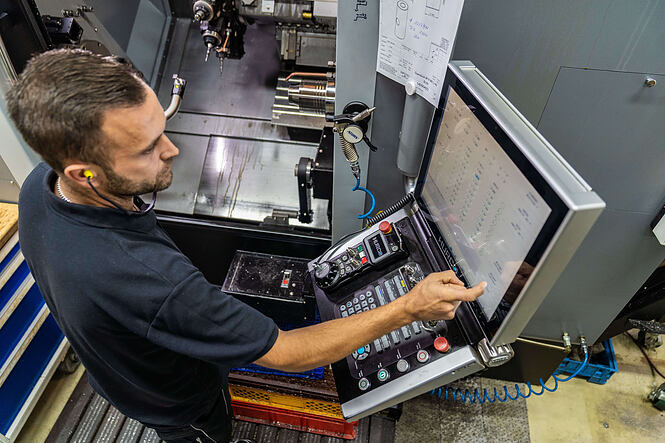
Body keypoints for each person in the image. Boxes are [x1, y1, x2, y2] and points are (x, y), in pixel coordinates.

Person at [7, 49, 486, 443]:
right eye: (146, 148)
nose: (172, 150)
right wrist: (407, 308)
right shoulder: (151, 281)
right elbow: (287, 353)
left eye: (163, 127)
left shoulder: (40, 186)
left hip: (120, 374)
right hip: (181, 407)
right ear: (83, 173)